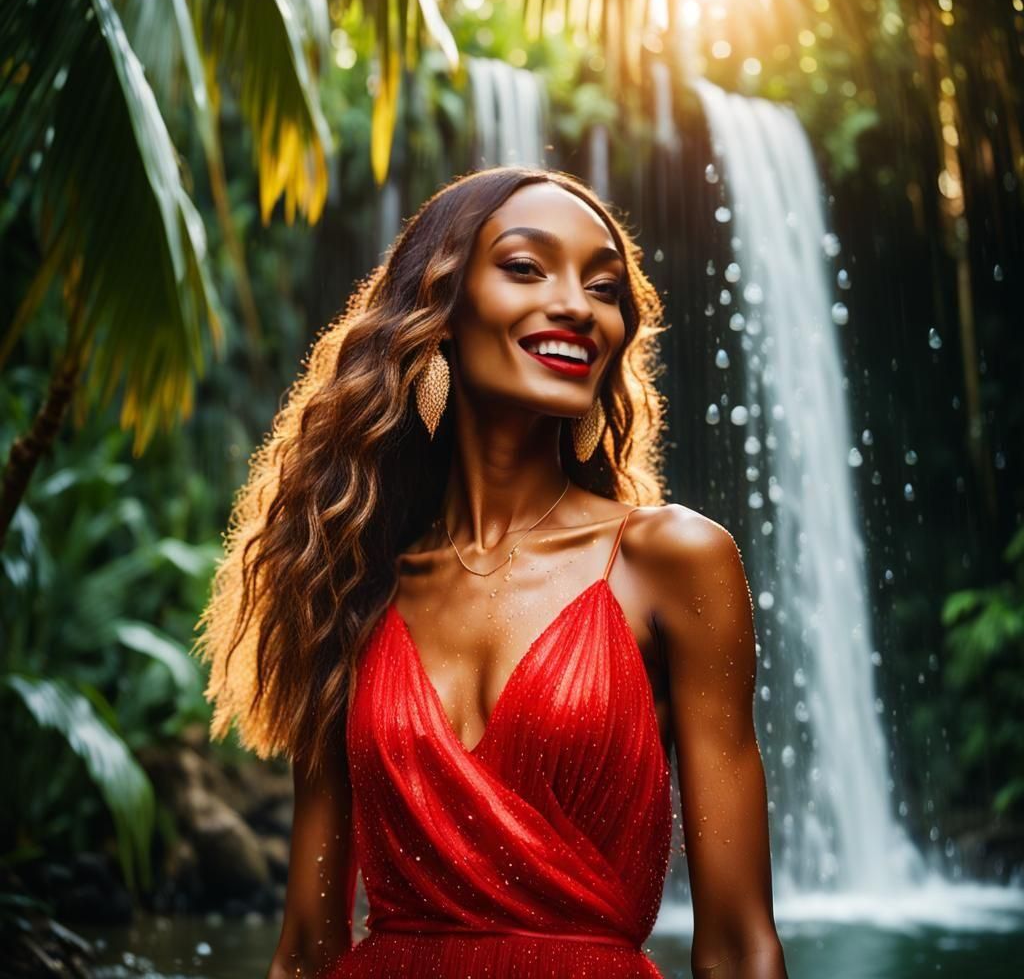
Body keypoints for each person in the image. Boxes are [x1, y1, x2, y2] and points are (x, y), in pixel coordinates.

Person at [192, 166, 788, 979]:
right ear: (438, 311)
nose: (578, 304)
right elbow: (305, 948)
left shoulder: (673, 561)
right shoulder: (350, 584)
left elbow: (739, 946)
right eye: (525, 267)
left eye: (604, 287)